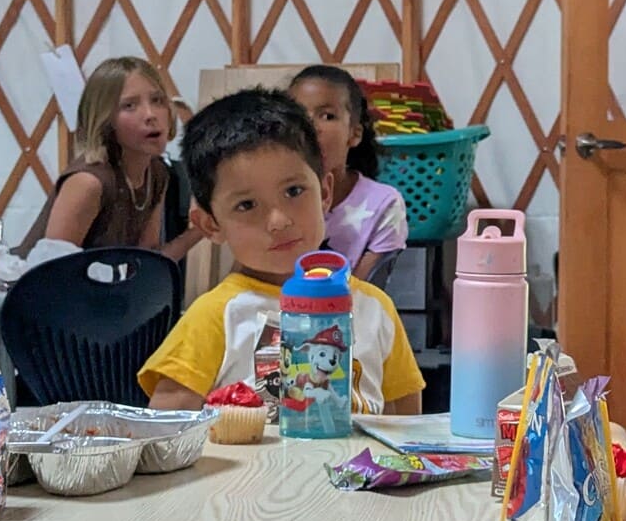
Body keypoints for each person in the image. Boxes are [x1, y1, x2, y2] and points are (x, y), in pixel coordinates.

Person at [138, 88, 424, 415]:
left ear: (325, 193)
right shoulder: (216, 316)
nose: (278, 221)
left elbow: (407, 424)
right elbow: (166, 428)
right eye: (247, 205)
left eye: (294, 191)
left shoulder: (375, 309)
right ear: (211, 224)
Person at [14, 55, 198, 260]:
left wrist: (201, 228)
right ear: (105, 118)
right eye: (129, 105)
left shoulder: (156, 174)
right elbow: (53, 271)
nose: (150, 115)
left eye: (157, 100)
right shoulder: (89, 183)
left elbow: (146, 262)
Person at [289, 64, 407, 278]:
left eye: (327, 116)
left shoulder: (383, 204)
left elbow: (363, 292)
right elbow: (241, 284)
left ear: (354, 134)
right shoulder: (271, 199)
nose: (309, 127)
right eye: (297, 116)